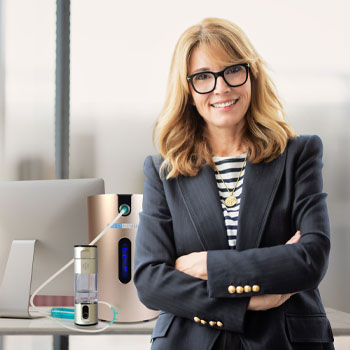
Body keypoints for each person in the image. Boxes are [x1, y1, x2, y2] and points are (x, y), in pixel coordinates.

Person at [134, 17, 334, 350]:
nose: (221, 87)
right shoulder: (163, 171)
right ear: (187, 90)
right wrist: (244, 302)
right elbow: (151, 282)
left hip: (283, 340)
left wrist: (207, 266)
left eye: (232, 70)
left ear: (251, 74)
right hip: (191, 341)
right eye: (203, 77)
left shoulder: (299, 154)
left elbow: (311, 259)